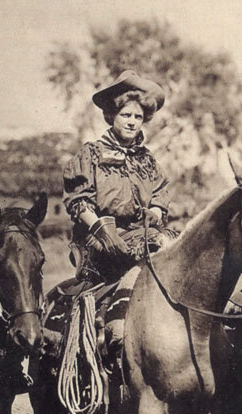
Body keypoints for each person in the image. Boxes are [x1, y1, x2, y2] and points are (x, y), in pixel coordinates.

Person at [62, 70, 175, 357]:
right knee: (138, 261)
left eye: (137, 117)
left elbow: (162, 190)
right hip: (103, 234)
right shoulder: (91, 153)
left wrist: (157, 211)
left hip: (143, 232)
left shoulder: (147, 159)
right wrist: (100, 228)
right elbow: (78, 200)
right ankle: (116, 329)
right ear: (112, 115)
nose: (132, 122)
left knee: (175, 254)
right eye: (126, 115)